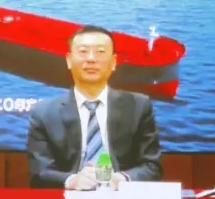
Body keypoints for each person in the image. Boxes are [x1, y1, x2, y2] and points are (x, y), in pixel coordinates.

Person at [27, 25, 163, 189]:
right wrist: (72, 180)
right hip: (69, 198)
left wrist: (120, 180)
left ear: (113, 62)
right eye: (83, 51)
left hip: (120, 197)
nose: (91, 59)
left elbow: (152, 166)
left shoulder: (138, 106)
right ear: (69, 60)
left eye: (100, 52)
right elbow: (39, 173)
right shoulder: (44, 112)